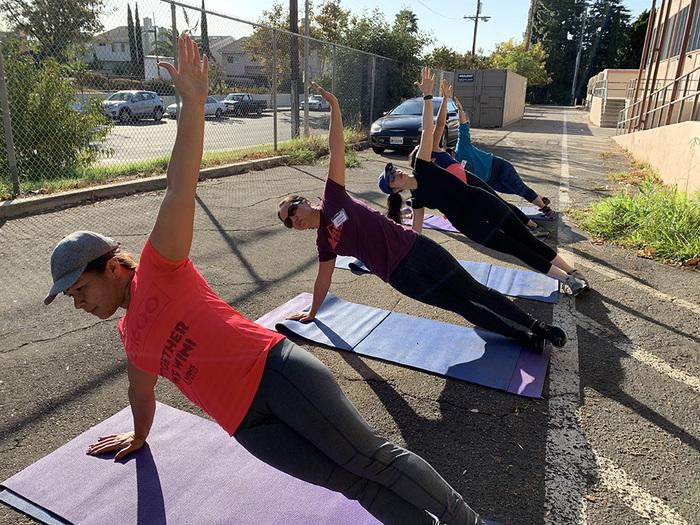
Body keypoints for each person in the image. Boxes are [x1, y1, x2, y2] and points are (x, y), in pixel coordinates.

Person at [43, 36, 484, 525]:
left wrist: (192, 105)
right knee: (350, 482)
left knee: (370, 459)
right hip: (248, 426)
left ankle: (464, 519)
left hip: (277, 374)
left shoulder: (160, 266)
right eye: (70, 297)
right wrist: (139, 436)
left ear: (111, 267)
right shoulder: (130, 337)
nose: (78, 303)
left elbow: (179, 187)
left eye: (79, 289)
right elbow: (140, 394)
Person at [277, 81, 567, 354]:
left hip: (418, 250)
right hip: (400, 277)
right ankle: (526, 338)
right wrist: (313, 312)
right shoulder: (324, 243)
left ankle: (539, 327)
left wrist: (336, 107)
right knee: (461, 306)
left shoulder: (333, 197)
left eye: (292, 211)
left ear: (302, 201)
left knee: (475, 290)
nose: (293, 220)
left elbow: (336, 148)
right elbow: (323, 278)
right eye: (287, 222)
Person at [379, 69, 589, 297]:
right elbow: (416, 234)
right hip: (471, 226)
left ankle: (572, 270)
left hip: (483, 201)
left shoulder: (423, 165)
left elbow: (430, 129)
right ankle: (567, 280)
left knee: (525, 239)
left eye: (393, 169)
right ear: (396, 190)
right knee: (516, 249)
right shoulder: (417, 201)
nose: (396, 172)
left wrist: (430, 97)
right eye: (392, 177)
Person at [420, 80, 549, 239]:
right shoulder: (428, 172)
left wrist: (443, 99)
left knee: (514, 195)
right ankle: (532, 218)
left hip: (494, 170)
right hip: (480, 183)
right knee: (503, 203)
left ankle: (536, 221)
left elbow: (440, 125)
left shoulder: (450, 150)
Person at [449, 94, 555, 219]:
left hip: (499, 167)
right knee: (514, 190)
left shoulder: (462, 147)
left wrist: (460, 111)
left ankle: (545, 209)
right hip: (490, 181)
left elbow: (463, 128)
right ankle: (541, 198)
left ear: (451, 153)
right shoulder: (452, 170)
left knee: (520, 188)